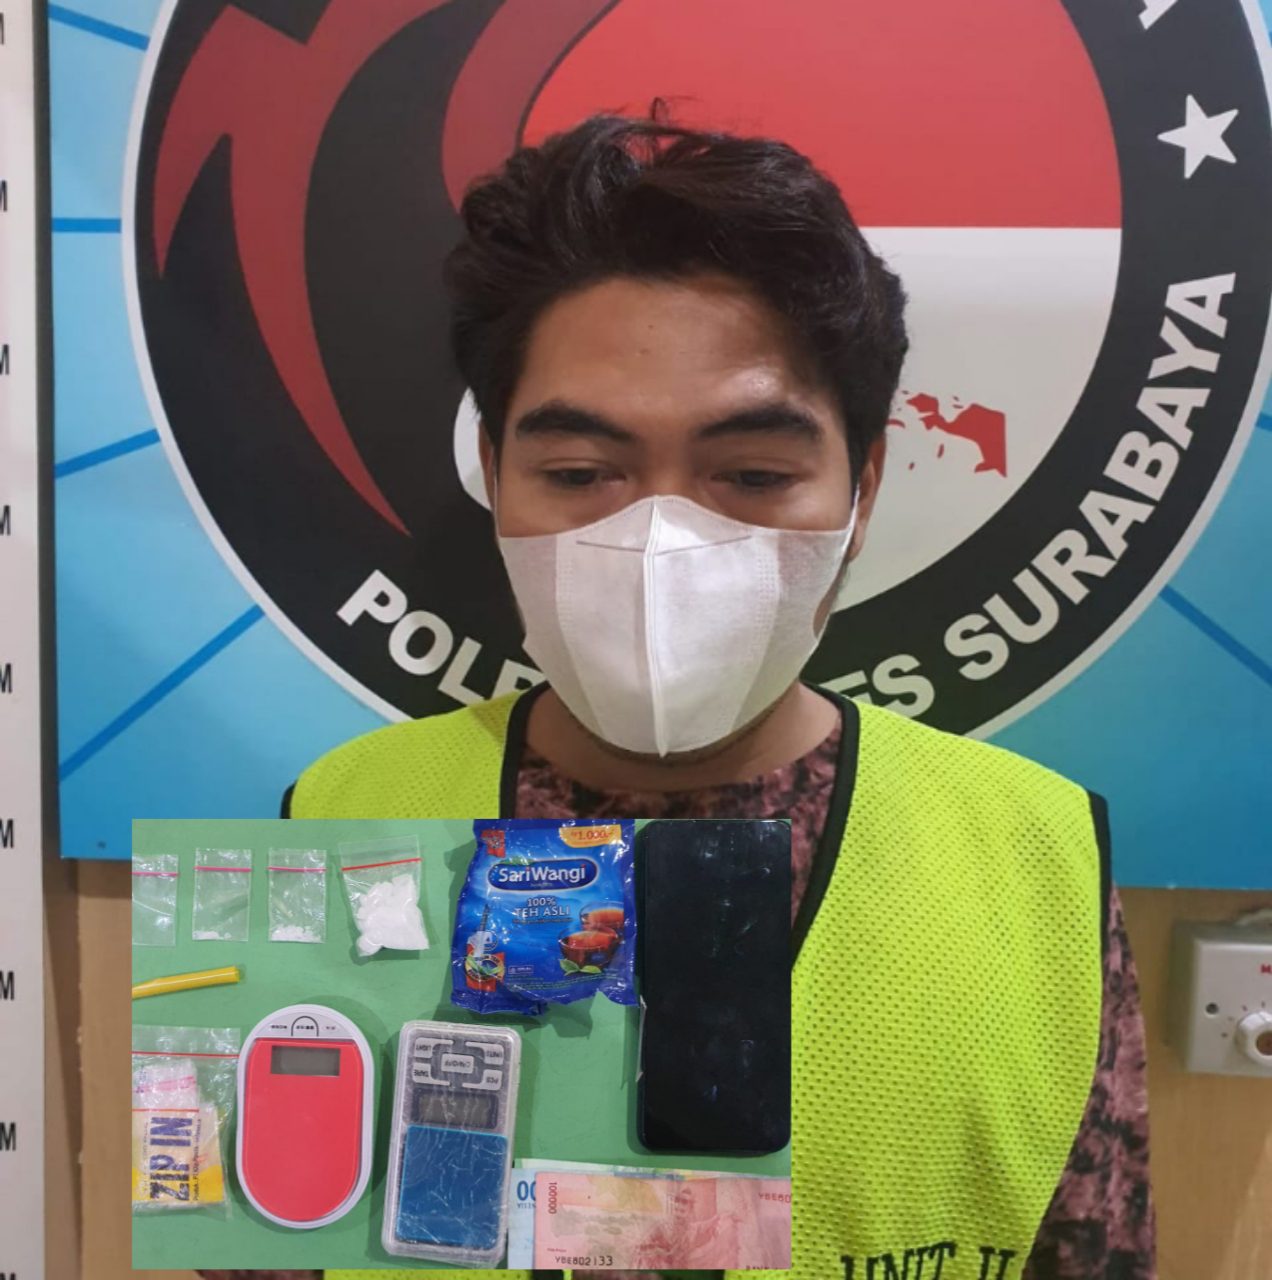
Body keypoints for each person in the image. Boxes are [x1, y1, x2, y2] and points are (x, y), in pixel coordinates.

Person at [211, 109, 1154, 1280]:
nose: (661, 539)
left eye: (752, 472)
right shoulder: (338, 820)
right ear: (494, 472)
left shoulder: (1040, 858)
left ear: (861, 488)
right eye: (578, 471)